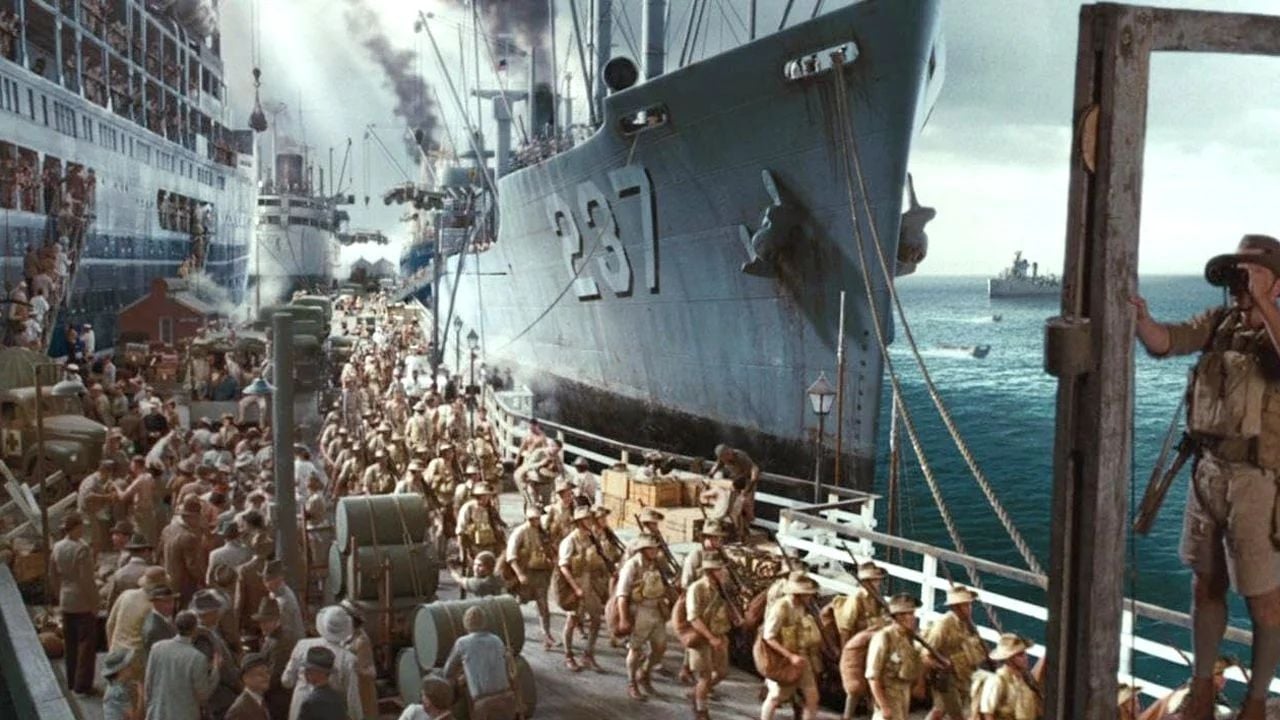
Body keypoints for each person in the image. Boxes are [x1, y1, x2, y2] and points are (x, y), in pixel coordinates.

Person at [1131, 234, 1280, 719]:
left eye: (1254, 271)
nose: (1241, 280)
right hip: (1208, 472)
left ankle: (1255, 700)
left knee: (1264, 601)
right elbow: (1167, 341)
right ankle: (1200, 688)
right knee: (1204, 584)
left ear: (1277, 283)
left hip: (1258, 479)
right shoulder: (1219, 323)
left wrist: (1263, 303)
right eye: (1238, 271)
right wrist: (1142, 319)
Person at [759, 575, 823, 720]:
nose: (810, 597)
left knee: (812, 697)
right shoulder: (781, 607)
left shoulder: (802, 607)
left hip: (802, 657)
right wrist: (790, 656)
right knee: (776, 696)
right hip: (783, 658)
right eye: (807, 594)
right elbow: (769, 637)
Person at [281, 606, 362, 720]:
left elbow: (286, 681)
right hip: (329, 711)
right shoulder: (348, 659)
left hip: (299, 707)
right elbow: (352, 698)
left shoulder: (302, 645)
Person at [615, 533, 669, 701]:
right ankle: (632, 682)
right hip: (639, 610)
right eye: (650, 548)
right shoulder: (632, 565)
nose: (654, 551)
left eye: (655, 548)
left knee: (660, 646)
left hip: (656, 609)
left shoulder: (656, 564)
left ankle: (644, 673)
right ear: (642, 549)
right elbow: (622, 594)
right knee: (635, 648)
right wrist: (624, 619)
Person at [922, 586, 987, 720]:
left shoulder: (967, 624)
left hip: (963, 674)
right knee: (955, 714)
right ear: (955, 608)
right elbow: (925, 656)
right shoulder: (943, 625)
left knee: (940, 710)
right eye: (965, 605)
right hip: (947, 676)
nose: (969, 608)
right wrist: (942, 666)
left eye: (969, 604)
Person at [442, 607, 518, 720]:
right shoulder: (497, 640)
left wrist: (462, 676)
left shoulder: (462, 643)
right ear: (484, 622)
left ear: (465, 624)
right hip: (507, 698)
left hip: (483, 704)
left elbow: (447, 672)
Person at [53, 512, 99, 696]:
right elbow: (86, 579)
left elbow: (53, 574)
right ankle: (83, 684)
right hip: (82, 600)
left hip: (65, 597)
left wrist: (58, 594)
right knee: (86, 644)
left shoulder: (57, 547)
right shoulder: (82, 549)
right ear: (76, 528)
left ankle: (71, 680)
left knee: (70, 642)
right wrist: (95, 602)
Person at [557, 506, 608, 672]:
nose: (590, 521)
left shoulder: (591, 538)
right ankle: (568, 655)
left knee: (596, 619)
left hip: (590, 584)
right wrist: (575, 588)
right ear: (579, 522)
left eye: (590, 519)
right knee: (572, 621)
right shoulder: (569, 541)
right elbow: (563, 567)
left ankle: (588, 654)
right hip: (576, 584)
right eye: (586, 519)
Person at [145, 610, 221, 720]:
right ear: (195, 629)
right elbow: (203, 695)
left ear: (175, 626)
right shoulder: (197, 658)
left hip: (157, 714)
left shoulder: (157, 648)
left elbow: (148, 684)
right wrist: (216, 669)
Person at [685, 556, 734, 720]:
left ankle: (697, 692)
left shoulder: (721, 588)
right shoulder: (697, 588)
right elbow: (693, 618)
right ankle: (701, 710)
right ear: (710, 572)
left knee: (722, 672)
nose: (724, 572)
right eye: (720, 569)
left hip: (720, 634)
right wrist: (710, 637)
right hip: (702, 637)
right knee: (705, 676)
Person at [866, 594, 925, 720]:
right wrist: (884, 707)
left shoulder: (908, 637)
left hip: (904, 693)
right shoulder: (884, 637)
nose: (913, 617)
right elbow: (873, 677)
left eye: (912, 613)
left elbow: (916, 661)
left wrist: (919, 683)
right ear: (899, 616)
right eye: (909, 614)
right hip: (887, 693)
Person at [505, 506, 557, 648]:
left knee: (543, 605)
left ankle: (546, 634)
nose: (535, 521)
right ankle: (508, 630)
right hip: (525, 573)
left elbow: (550, 550)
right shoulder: (520, 532)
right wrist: (519, 574)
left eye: (537, 519)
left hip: (541, 573)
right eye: (532, 519)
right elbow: (511, 556)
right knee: (517, 603)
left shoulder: (542, 533)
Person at [977, 634, 1039, 720]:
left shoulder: (1024, 681)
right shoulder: (997, 680)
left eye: (1025, 653)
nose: (1025, 657)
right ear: (1009, 659)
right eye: (1020, 655)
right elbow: (987, 713)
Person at [295, 646, 347, 720]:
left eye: (309, 670)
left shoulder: (310, 702)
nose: (305, 672)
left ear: (320, 673)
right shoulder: (339, 698)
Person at [227, 653, 273, 720]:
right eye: (260, 674)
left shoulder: (261, 700)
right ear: (245, 678)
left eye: (267, 672)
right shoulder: (239, 710)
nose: (266, 677)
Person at [102, 648, 142, 720]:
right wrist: (141, 695)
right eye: (129, 665)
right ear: (121, 670)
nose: (132, 666)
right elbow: (135, 718)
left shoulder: (120, 684)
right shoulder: (119, 692)